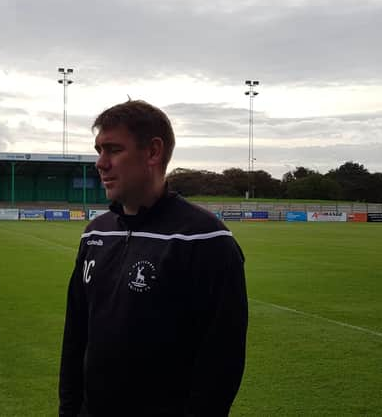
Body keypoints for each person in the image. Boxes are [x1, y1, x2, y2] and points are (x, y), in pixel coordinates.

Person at [59, 100, 248, 416]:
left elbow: (220, 364)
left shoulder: (205, 239)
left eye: (113, 150)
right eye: (98, 150)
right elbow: (76, 337)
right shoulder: (95, 233)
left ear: (153, 152)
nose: (100, 163)